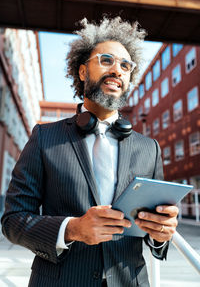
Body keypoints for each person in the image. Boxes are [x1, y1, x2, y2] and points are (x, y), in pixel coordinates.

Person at [1, 17, 178, 287]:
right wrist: (72, 229)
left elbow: (153, 233)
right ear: (83, 71)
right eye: (106, 60)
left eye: (125, 65)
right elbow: (13, 221)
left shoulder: (149, 148)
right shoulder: (43, 137)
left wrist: (161, 233)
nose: (117, 70)